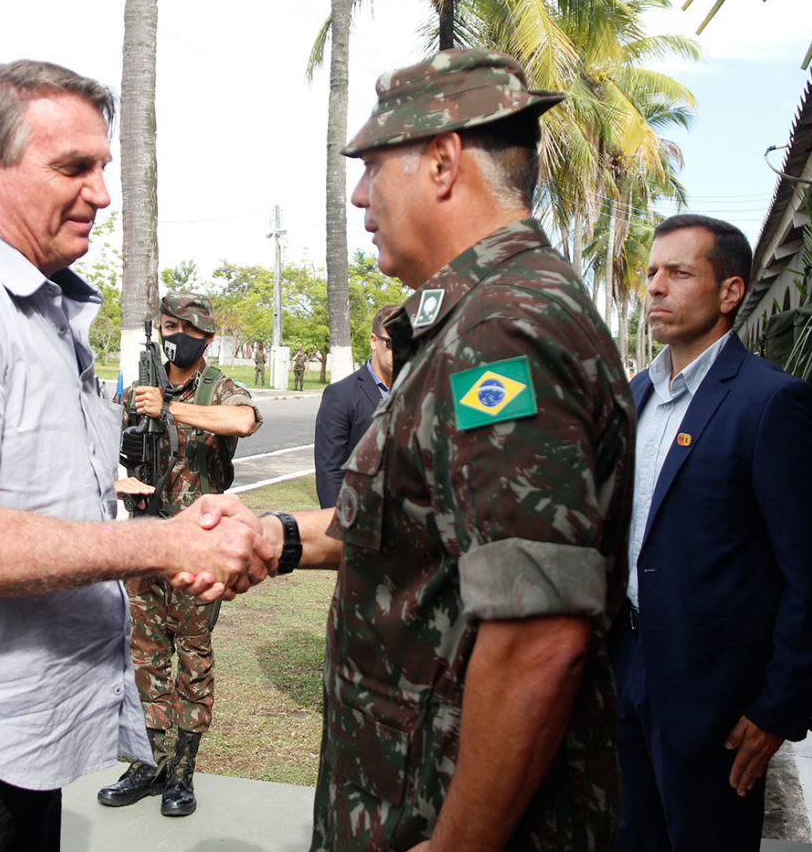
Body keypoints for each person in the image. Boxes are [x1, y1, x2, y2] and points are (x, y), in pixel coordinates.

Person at [0, 60, 272, 850]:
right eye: (73, 167)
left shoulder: (42, 311)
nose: (101, 193)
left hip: (13, 731)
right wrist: (165, 540)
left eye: (102, 167)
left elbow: (54, 493)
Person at [220, 49, 636, 850]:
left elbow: (539, 634)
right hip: (398, 791)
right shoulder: (471, 318)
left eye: (375, 167)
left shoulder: (501, 333)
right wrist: (279, 536)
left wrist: (459, 845)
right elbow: (420, 532)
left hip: (442, 813)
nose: (358, 194)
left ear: (443, 162)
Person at [614, 214, 812, 852]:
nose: (655, 287)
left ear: (730, 292)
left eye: (679, 273)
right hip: (627, 669)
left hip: (717, 699)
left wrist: (777, 708)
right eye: (652, 272)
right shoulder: (638, 394)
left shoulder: (772, 403)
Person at [99, 293, 261, 817]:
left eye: (186, 327)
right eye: (168, 325)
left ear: (208, 337)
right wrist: (120, 475)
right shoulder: (141, 385)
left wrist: (167, 408)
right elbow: (107, 445)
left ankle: (183, 770)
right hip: (146, 541)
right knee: (144, 654)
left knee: (191, 656)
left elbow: (243, 421)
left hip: (198, 545)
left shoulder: (221, 389)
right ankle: (149, 763)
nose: (174, 335)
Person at [313, 303, 400, 507]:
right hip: (361, 518)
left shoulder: (419, 389)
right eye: (392, 344)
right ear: (374, 340)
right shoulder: (341, 395)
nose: (400, 351)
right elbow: (329, 473)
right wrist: (340, 529)